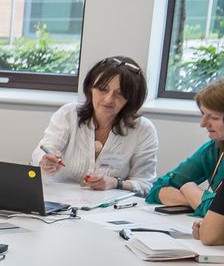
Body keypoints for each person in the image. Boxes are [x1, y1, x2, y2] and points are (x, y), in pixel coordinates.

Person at [33, 55, 158, 194]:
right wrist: (46, 162)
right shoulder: (69, 114)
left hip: (109, 210)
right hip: (59, 202)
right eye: (102, 89)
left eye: (120, 93)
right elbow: (40, 152)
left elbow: (146, 184)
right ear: (90, 88)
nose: (109, 99)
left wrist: (116, 183)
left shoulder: (143, 130)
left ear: (131, 98)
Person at [148, 77, 224, 222]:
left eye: (213, 117)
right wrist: (194, 200)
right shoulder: (213, 149)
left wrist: (189, 188)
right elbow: (157, 188)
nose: (203, 124)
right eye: (203, 114)